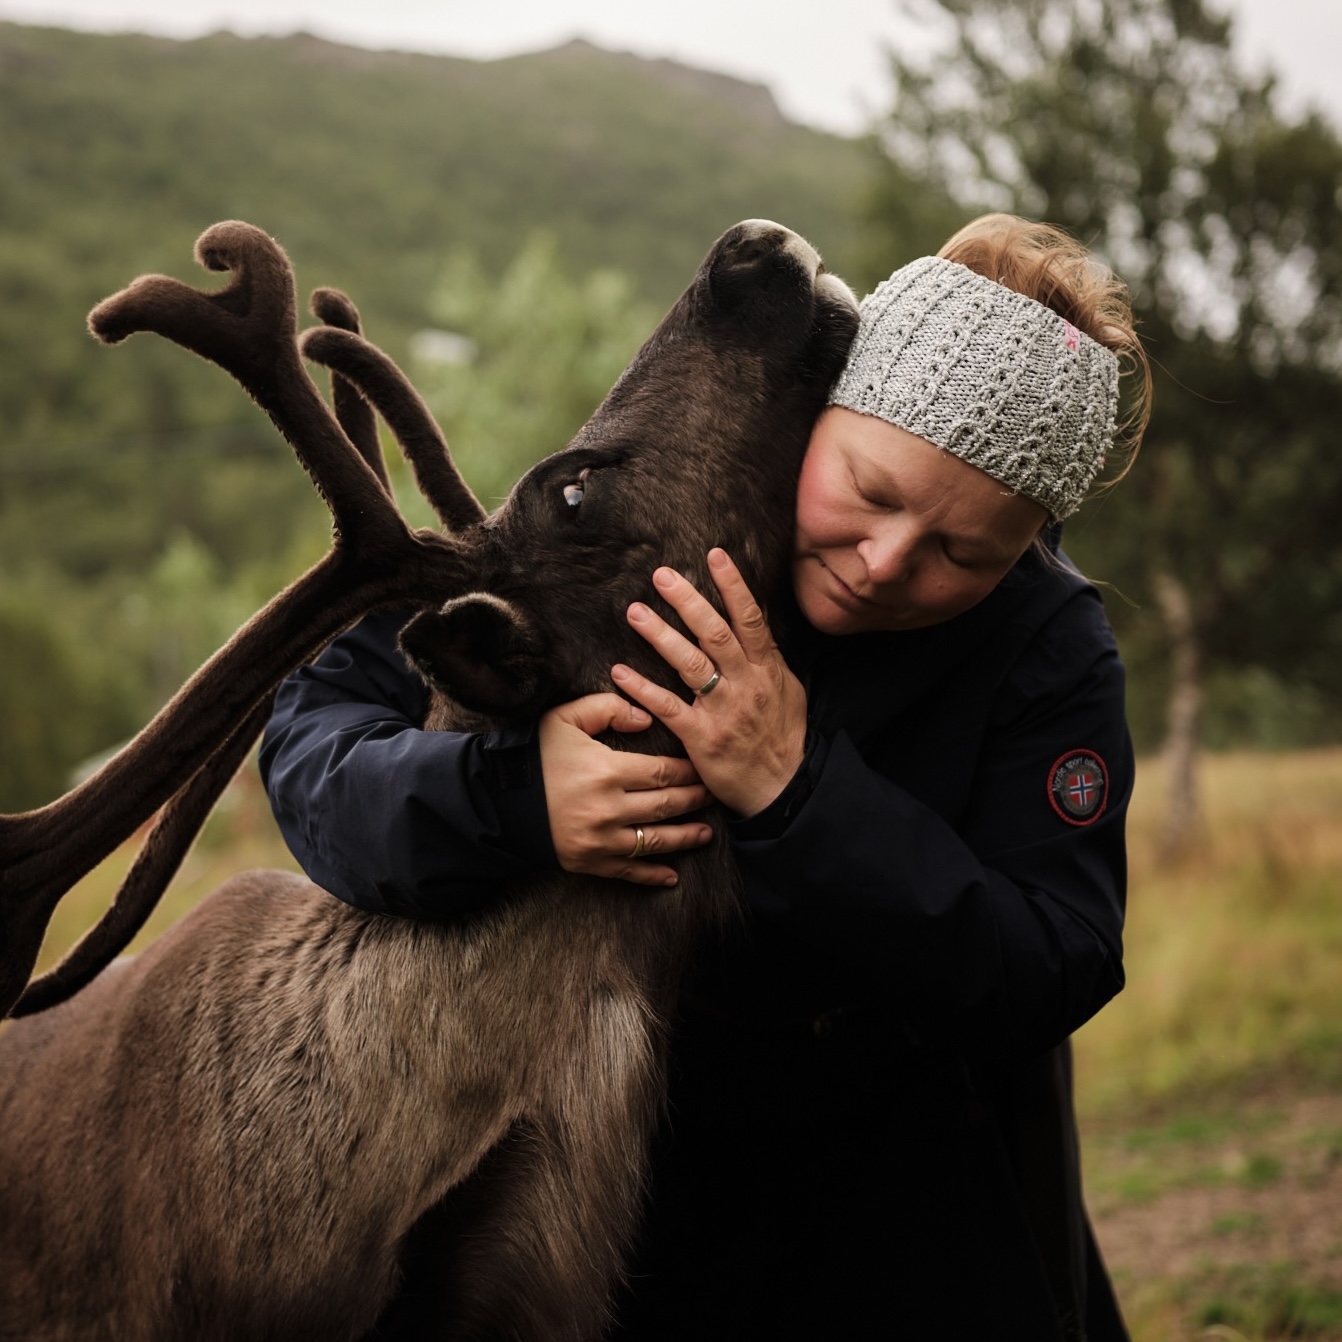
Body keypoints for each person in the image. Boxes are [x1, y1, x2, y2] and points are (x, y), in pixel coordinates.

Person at [260, 212, 1148, 1341]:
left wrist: (796, 790)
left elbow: (1054, 961)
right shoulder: (655, 506)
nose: (887, 565)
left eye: (962, 552)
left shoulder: (1048, 645)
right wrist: (515, 798)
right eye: (871, 492)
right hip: (617, 1219)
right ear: (828, 409)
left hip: (911, 1226)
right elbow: (314, 739)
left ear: (1025, 541)